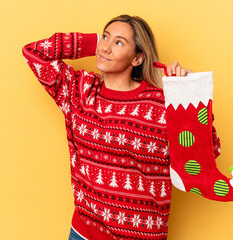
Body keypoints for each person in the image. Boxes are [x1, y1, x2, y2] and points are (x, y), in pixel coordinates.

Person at [22, 14, 221, 240]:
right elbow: (34, 52)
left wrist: (188, 96)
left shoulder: (159, 103)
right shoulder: (79, 91)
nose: (106, 47)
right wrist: (97, 43)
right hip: (84, 233)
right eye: (105, 37)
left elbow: (207, 154)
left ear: (137, 59)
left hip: (141, 236)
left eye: (119, 42)